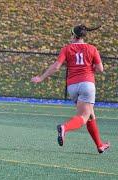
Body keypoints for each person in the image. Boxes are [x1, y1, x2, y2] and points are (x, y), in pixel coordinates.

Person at [31, 24, 110, 154]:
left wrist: (41, 78)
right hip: (87, 84)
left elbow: (56, 66)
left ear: (74, 35)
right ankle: (64, 128)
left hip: (72, 86)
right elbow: (100, 69)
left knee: (90, 115)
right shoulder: (92, 48)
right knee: (83, 116)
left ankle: (100, 145)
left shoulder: (67, 49)